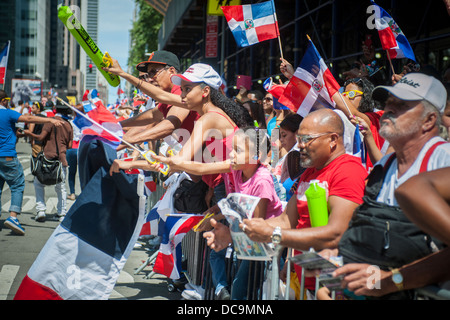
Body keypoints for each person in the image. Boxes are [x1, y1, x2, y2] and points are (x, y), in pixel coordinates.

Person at [316, 73, 450, 299]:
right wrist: (338, 263)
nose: (389, 109)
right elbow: (373, 227)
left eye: (402, 105)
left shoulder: (443, 161)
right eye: (389, 102)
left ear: (428, 120)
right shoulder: (385, 165)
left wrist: (390, 281)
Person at [206, 108, 368, 295]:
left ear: (332, 139)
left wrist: (274, 235)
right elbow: (286, 222)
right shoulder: (310, 172)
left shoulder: (348, 171)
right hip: (303, 278)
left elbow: (336, 233)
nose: (299, 146)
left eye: (306, 139)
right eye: (299, 139)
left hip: (330, 286)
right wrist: (235, 235)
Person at [154, 127, 283, 300]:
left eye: (237, 150)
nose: (231, 155)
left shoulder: (262, 180)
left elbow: (256, 223)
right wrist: (172, 163)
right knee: (242, 289)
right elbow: (202, 168)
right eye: (232, 150)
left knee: (243, 291)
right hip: (248, 243)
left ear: (256, 156)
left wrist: (228, 231)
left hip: (265, 247)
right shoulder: (238, 170)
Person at [0, 90, 64, 235]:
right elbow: (28, 118)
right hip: (7, 155)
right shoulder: (8, 113)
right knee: (17, 184)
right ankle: (13, 217)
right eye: (8, 99)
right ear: (4, 100)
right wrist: (50, 120)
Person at [117, 50, 200, 147]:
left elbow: (170, 125)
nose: (150, 79)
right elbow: (151, 116)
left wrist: (127, 140)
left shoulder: (181, 91)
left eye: (153, 72)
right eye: (148, 75)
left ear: (171, 71)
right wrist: (117, 124)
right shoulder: (170, 95)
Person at [24, 101, 74, 222]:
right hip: (61, 160)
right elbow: (70, 145)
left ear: (55, 109)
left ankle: (41, 210)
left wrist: (29, 134)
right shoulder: (68, 125)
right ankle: (62, 213)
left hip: (47, 158)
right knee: (61, 187)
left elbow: (41, 138)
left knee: (38, 183)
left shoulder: (50, 121)